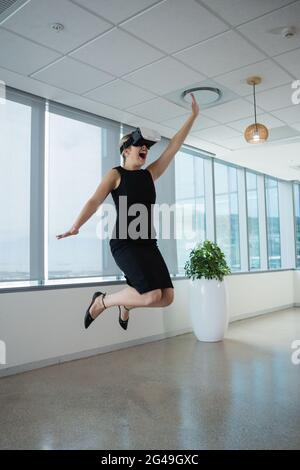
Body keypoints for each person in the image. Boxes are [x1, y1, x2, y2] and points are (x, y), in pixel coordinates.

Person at [56, 93, 199, 330]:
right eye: (139, 145)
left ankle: (127, 305)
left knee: (167, 297)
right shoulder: (116, 174)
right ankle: (102, 301)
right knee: (151, 296)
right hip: (125, 243)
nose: (145, 149)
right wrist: (75, 226)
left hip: (148, 243)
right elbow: (94, 201)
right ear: (125, 151)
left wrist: (192, 116)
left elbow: (173, 147)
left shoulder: (150, 174)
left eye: (147, 147)